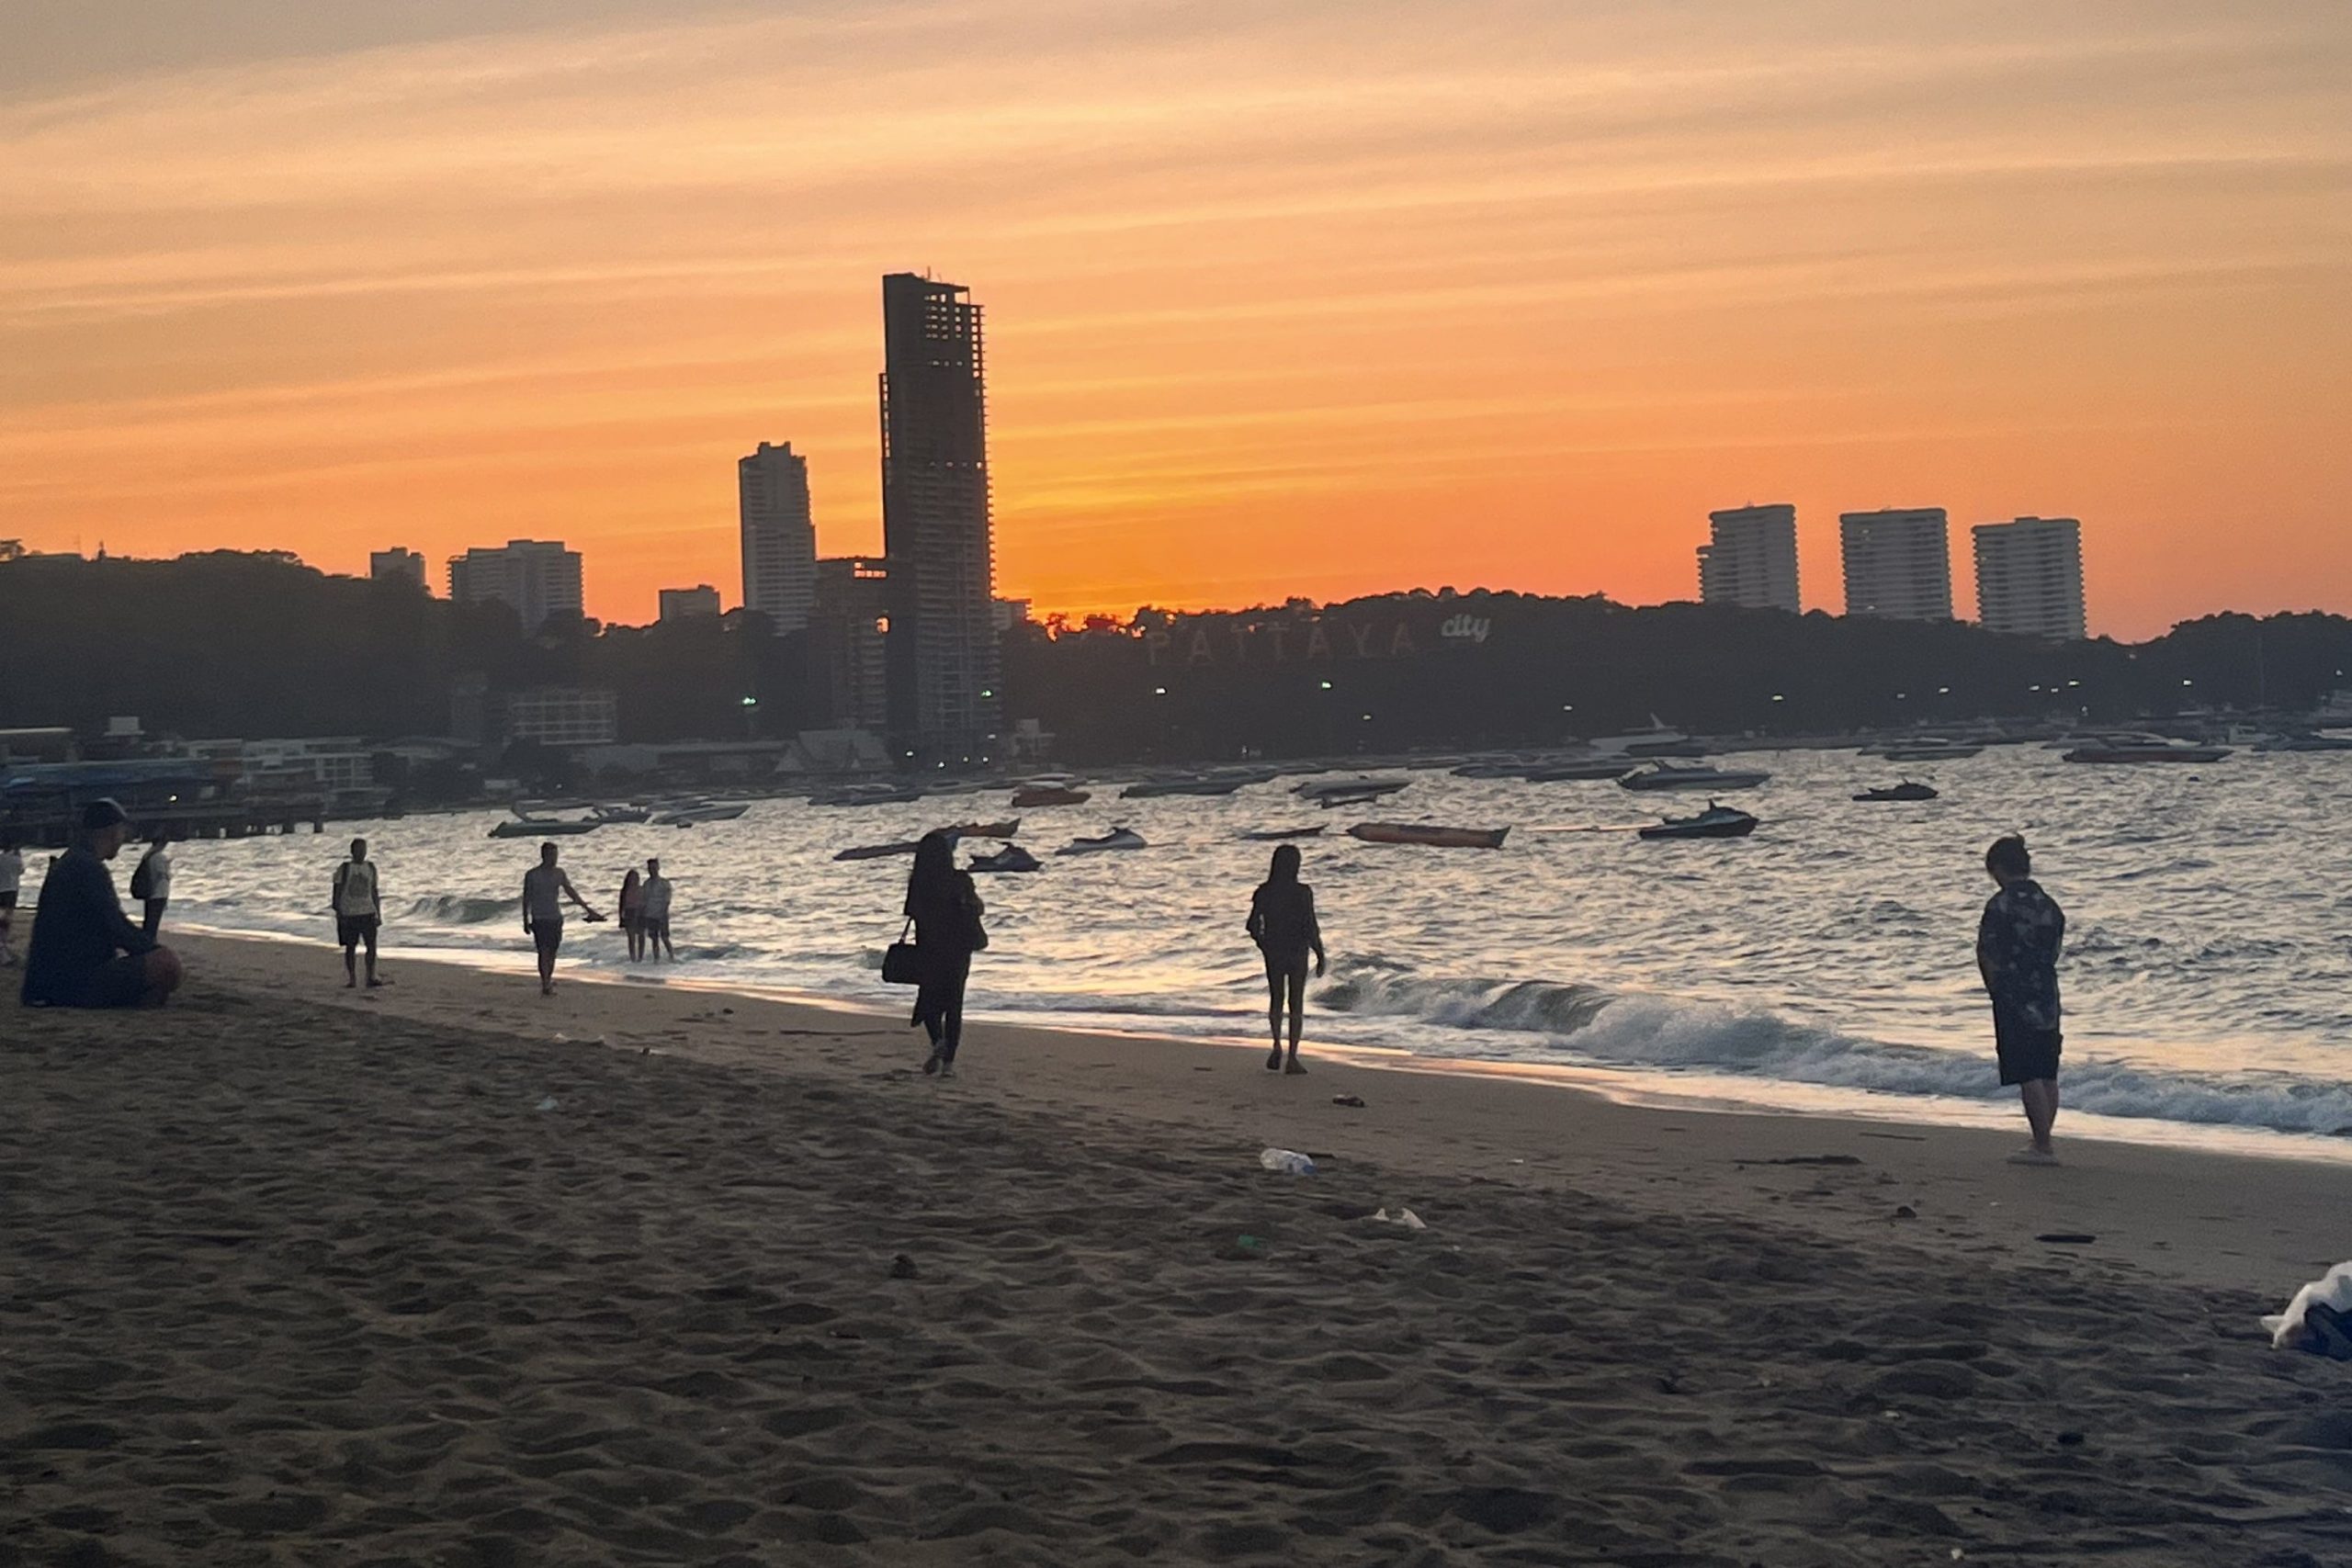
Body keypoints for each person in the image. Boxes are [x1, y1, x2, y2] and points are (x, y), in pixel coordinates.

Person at [20, 798, 182, 1009]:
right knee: (167, 964)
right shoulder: (88, 868)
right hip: (72, 983)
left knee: (152, 967)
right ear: (112, 831)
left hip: (48, 982)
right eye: (123, 832)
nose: (123, 839)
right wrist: (154, 950)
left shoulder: (72, 861)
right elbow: (116, 927)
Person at [1977, 834, 2067, 1166]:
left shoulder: (2000, 905)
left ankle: (2043, 1145)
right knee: (2046, 1070)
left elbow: (1986, 952)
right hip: (2046, 990)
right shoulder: (2049, 905)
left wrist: (1995, 989)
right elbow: (2055, 949)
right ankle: (2041, 1139)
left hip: (2013, 993)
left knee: (2025, 1070)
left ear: (1999, 869)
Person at [904, 829, 986, 1077]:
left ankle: (938, 1041)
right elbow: (978, 909)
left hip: (929, 949)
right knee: (954, 1005)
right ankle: (948, 1065)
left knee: (928, 1002)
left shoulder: (918, 883)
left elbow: (912, 913)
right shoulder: (960, 880)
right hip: (959, 950)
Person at [1247, 843, 1327, 1074]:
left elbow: (1252, 925)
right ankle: (1292, 1056)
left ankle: (1276, 1045)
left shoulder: (1264, 891)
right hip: (1297, 951)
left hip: (1274, 950)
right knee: (1296, 1003)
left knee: (1276, 999)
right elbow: (1311, 926)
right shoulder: (1303, 892)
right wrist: (1319, 953)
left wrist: (1263, 944)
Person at [521, 841, 603, 997]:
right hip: (539, 917)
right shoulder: (532, 875)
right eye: (552, 855)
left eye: (556, 855)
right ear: (544, 855)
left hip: (555, 917)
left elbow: (570, 892)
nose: (555, 858)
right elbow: (527, 898)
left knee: (552, 951)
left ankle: (548, 978)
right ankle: (545, 983)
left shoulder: (559, 873)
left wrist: (588, 909)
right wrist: (525, 920)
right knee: (543, 951)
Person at [332, 837, 387, 988]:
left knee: (371, 946)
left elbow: (374, 892)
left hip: (368, 912)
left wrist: (378, 913)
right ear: (352, 851)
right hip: (349, 913)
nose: (361, 853)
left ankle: (370, 976)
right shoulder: (344, 869)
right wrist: (339, 911)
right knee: (351, 947)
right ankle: (352, 978)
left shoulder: (371, 868)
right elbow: (336, 892)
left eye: (363, 849)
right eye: (358, 850)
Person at [130, 830, 172, 940]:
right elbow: (163, 875)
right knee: (154, 922)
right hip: (159, 893)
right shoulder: (160, 857)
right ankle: (150, 941)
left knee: (149, 920)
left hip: (150, 892)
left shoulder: (148, 855)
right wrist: (168, 866)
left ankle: (147, 940)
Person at [640, 857, 675, 963]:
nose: (652, 870)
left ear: (658, 868)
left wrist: (663, 913)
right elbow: (643, 900)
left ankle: (672, 958)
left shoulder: (664, 883)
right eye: (650, 868)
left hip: (662, 914)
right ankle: (656, 960)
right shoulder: (646, 884)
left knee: (665, 938)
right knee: (654, 939)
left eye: (654, 867)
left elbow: (667, 900)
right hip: (650, 915)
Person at [0, 835, 22, 966]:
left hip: (0, 890)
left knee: (1, 919)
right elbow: (21, 871)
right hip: (11, 891)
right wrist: (18, 855)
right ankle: (3, 948)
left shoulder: (1, 859)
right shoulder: (16, 860)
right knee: (6, 920)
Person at [618, 867, 644, 962]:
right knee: (631, 938)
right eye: (632, 878)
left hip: (640, 913)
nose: (634, 880)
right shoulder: (624, 891)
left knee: (641, 936)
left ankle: (640, 957)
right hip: (629, 913)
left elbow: (645, 902)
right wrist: (621, 919)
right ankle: (633, 958)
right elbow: (621, 905)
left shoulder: (641, 889)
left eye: (636, 878)